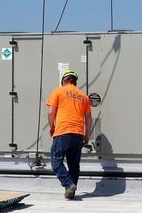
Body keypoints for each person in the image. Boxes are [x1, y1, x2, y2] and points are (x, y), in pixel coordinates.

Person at [46, 70, 92, 200]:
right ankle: (71, 190)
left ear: (64, 80)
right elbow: (89, 118)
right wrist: (86, 135)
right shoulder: (84, 96)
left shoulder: (58, 91)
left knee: (56, 161)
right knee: (74, 164)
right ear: (75, 82)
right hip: (78, 134)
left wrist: (52, 127)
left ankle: (69, 184)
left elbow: (50, 112)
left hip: (63, 132)